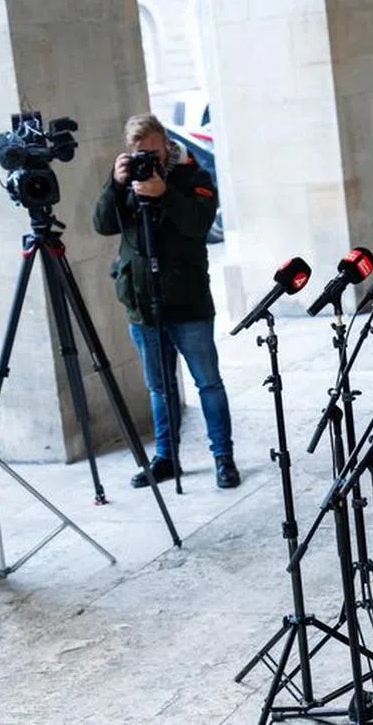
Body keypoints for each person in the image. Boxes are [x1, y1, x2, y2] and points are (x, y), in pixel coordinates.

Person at [92, 113, 239, 489]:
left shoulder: (193, 177)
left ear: (166, 145)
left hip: (188, 302)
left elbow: (197, 224)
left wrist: (165, 194)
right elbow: (102, 224)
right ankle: (165, 458)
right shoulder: (128, 183)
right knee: (159, 388)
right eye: (140, 153)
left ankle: (223, 457)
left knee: (208, 383)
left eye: (154, 152)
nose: (148, 160)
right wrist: (115, 183)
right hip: (142, 304)